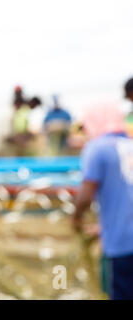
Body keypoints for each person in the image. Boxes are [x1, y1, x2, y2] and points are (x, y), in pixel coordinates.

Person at [72, 102, 133, 300]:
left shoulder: (97, 148)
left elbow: (86, 194)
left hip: (121, 246)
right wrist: (102, 227)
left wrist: (76, 219)